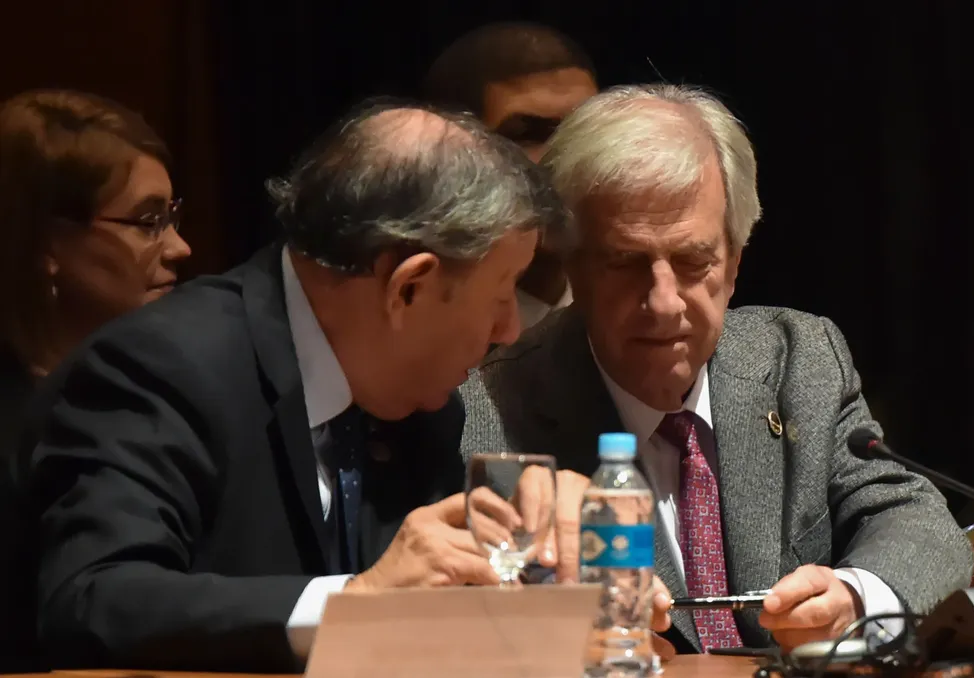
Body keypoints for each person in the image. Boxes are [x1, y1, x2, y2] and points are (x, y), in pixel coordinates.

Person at [11, 99, 569, 671]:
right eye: (502, 292)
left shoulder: (421, 400)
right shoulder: (160, 368)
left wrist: (550, 570)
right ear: (409, 288)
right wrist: (356, 603)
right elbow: (91, 600)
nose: (511, 328)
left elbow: (433, 609)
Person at [460, 83, 973, 655]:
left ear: (734, 263)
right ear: (572, 266)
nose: (664, 302)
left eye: (692, 261)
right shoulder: (489, 414)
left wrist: (853, 599)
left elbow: (915, 519)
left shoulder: (800, 359)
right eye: (626, 263)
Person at [0, 89, 191, 671]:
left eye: (173, 217)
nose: (182, 248)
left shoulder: (169, 388)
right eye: (148, 222)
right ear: (48, 244)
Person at [424, 22, 598, 332]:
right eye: (528, 135)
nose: (570, 157)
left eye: (585, 130)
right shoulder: (411, 333)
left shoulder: (636, 310)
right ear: (451, 155)